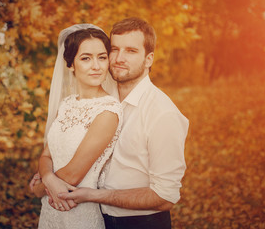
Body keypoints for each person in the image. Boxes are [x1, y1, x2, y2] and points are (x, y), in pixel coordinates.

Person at [56, 17, 189, 229]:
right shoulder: (101, 99)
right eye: (114, 49)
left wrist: (96, 195)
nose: (119, 58)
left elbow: (165, 196)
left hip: (140, 223)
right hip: (94, 219)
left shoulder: (163, 114)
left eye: (131, 51)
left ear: (149, 59)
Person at [30, 24, 123, 229]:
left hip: (79, 213)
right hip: (51, 209)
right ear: (70, 64)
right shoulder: (66, 104)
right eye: (86, 58)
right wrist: (46, 176)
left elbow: (74, 175)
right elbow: (46, 155)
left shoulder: (108, 111)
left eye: (102, 57)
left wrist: (39, 187)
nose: (96, 66)